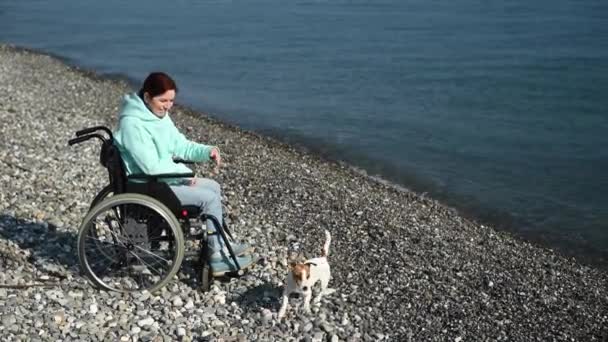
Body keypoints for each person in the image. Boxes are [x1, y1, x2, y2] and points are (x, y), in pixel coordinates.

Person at [113, 71, 255, 275]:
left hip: (160, 180)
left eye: (171, 100)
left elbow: (180, 145)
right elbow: (150, 167)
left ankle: (220, 244)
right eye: (163, 100)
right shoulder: (132, 123)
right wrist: (184, 175)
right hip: (148, 184)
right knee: (207, 199)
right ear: (146, 97)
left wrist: (207, 151)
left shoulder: (158, 115)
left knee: (213, 187)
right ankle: (217, 255)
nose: (168, 106)